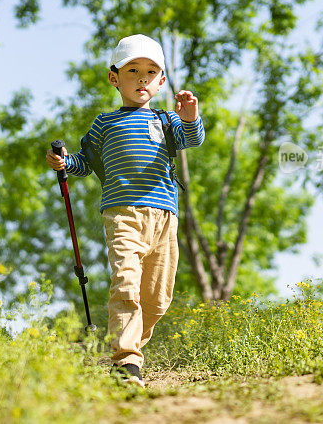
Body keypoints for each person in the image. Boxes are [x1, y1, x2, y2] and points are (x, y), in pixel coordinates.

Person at [45, 34, 205, 387]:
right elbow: (83, 163)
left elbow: (191, 140)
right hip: (122, 215)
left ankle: (131, 345)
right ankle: (126, 361)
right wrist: (64, 162)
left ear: (161, 81)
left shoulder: (167, 120)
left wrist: (191, 118)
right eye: (133, 70)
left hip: (164, 217)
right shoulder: (105, 123)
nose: (142, 78)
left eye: (150, 72)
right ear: (115, 77)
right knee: (126, 283)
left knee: (158, 298)